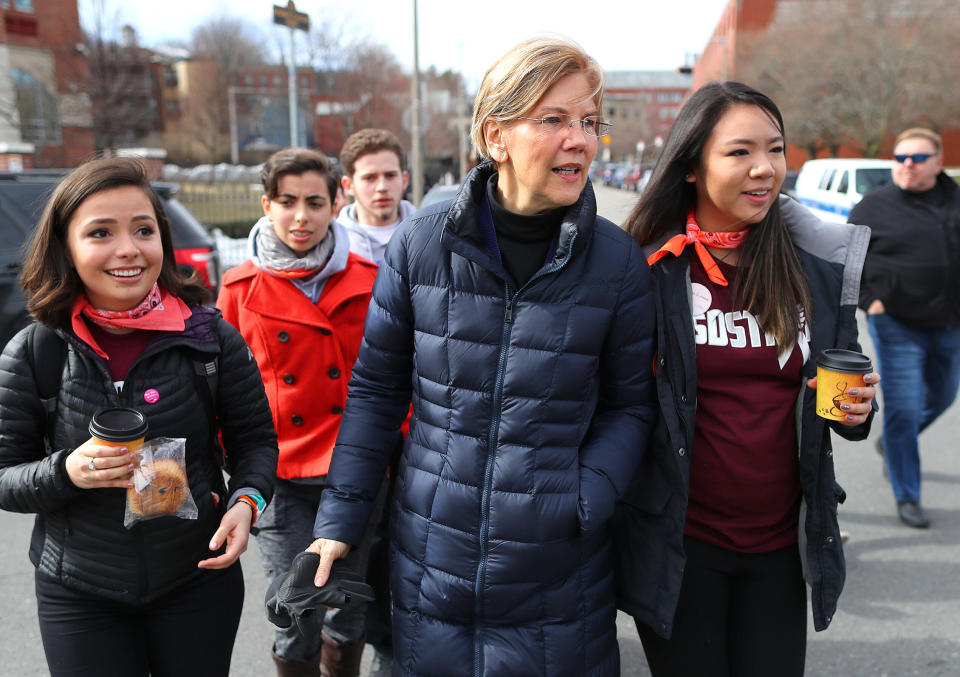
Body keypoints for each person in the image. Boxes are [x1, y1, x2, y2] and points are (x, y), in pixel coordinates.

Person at [307, 37, 657, 677]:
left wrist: (584, 498)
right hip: (430, 561)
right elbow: (377, 393)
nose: (580, 140)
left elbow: (631, 407)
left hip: (560, 572)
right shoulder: (420, 247)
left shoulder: (617, 263)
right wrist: (339, 520)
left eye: (588, 122)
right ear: (496, 136)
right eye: (554, 120)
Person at [614, 81, 880, 677]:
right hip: (682, 546)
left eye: (776, 149)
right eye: (739, 152)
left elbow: (844, 392)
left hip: (783, 547)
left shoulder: (813, 264)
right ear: (691, 165)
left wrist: (857, 411)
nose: (765, 169)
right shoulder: (648, 268)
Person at [0, 157, 278, 677]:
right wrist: (65, 472)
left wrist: (247, 503)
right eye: (101, 232)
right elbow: (3, 475)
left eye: (143, 229)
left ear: (162, 241)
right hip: (79, 592)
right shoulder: (34, 351)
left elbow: (256, 443)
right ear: (66, 246)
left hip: (197, 581)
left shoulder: (210, 338)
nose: (128, 248)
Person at [217, 147, 380, 677]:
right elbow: (224, 388)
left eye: (314, 202)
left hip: (356, 471)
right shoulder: (240, 289)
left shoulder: (372, 278)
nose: (301, 217)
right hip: (282, 474)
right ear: (267, 204)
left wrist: (390, 441)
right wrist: (239, 462)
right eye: (287, 202)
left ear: (337, 202)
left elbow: (396, 377)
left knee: (351, 605)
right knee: (294, 608)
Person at [849, 127, 960, 529]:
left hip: (950, 323)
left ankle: (893, 442)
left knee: (944, 397)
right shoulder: (872, 207)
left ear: (937, 161)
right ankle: (907, 494)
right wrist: (871, 303)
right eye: (900, 158)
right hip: (896, 323)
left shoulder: (954, 201)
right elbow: (847, 264)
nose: (907, 165)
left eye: (916, 158)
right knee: (903, 406)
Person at [337, 128, 415, 265]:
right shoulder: (333, 247)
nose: (382, 187)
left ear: (405, 180)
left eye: (390, 176)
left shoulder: (432, 236)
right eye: (370, 178)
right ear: (348, 185)